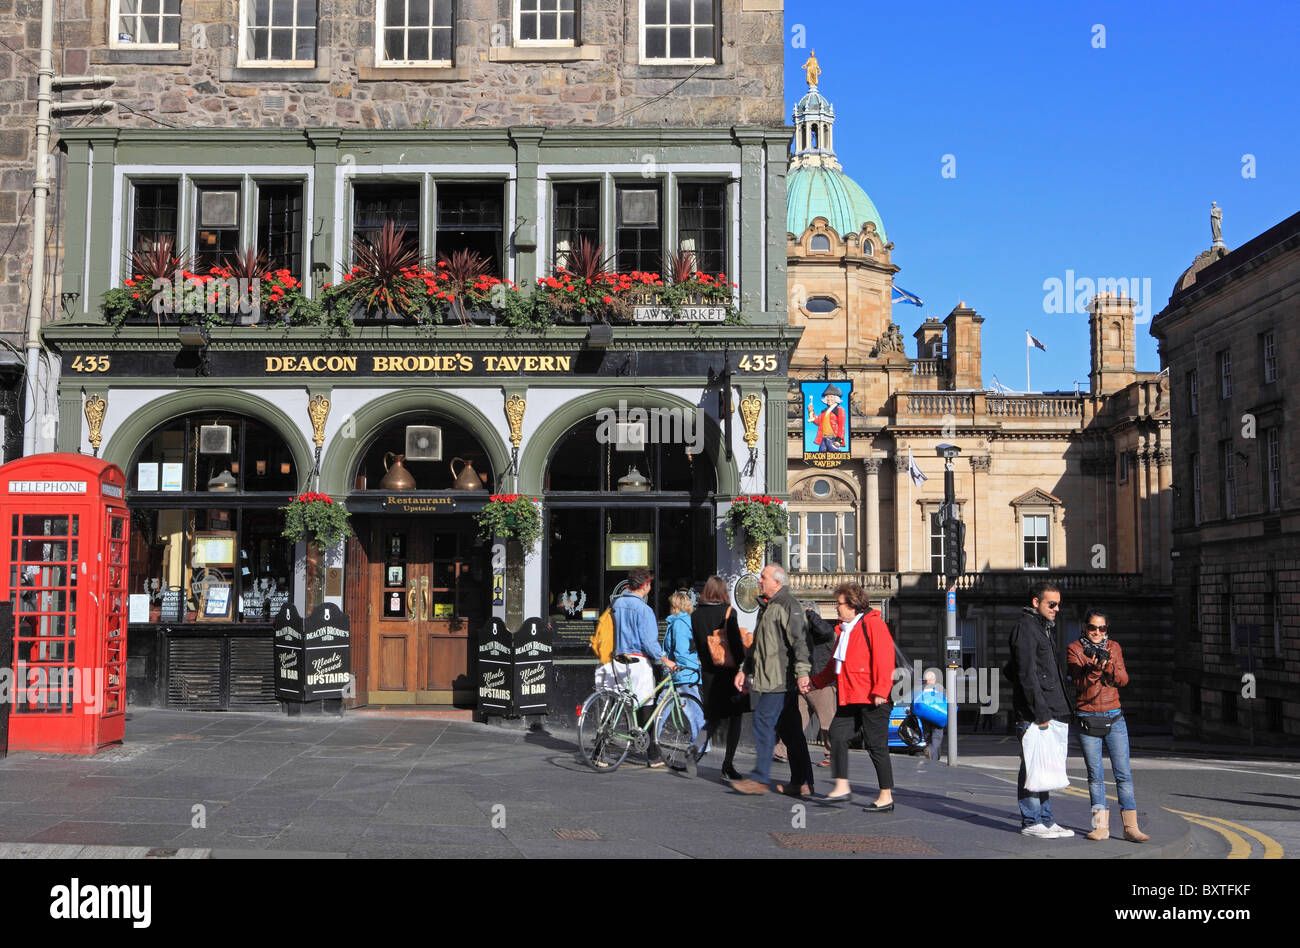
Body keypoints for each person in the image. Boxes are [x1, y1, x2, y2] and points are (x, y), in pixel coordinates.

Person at [807, 582, 895, 810]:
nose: (836, 608)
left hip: (872, 697)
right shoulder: (845, 631)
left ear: (853, 605)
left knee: (876, 746)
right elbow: (834, 665)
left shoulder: (873, 624)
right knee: (836, 735)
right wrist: (815, 682)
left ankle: (886, 796)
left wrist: (880, 691)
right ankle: (842, 786)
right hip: (850, 697)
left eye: (839, 604)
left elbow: (885, 659)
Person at [1068, 608, 1148, 842]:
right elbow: (1080, 684)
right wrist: (1093, 669)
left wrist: (1109, 667)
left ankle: (1130, 827)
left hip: (1114, 717)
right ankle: (1100, 827)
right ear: (1085, 628)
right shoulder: (1074, 650)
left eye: (1101, 628)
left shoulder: (1114, 647)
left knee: (1123, 774)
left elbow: (1123, 679)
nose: (1097, 632)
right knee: (1095, 776)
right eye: (1092, 627)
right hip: (1088, 717)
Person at [731, 564, 812, 797]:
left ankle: (759, 779)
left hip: (779, 680)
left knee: (763, 723)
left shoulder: (788, 605)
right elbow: (756, 647)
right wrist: (743, 670)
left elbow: (800, 641)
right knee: (791, 730)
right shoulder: (766, 607)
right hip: (770, 679)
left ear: (778, 582)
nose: (760, 581)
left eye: (763, 577)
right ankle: (802, 782)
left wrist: (803, 672)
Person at [1008, 581, 1075, 839]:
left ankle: (1046, 819)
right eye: (1052, 604)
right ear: (1036, 602)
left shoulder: (1042, 628)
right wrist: (1041, 712)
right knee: (1032, 768)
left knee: (1044, 768)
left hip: (1049, 709)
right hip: (1034, 715)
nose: (1057, 608)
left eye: (1058, 604)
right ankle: (1031, 820)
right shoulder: (1026, 628)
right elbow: (1027, 674)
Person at [610, 568, 677, 768]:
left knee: (622, 702)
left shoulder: (617, 604)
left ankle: (600, 748)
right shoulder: (644, 610)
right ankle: (653, 755)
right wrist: (665, 660)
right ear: (645, 586)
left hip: (619, 659)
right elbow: (649, 642)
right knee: (647, 705)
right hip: (638, 661)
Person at [689, 575, 749, 781]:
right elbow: (735, 646)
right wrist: (745, 666)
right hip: (730, 675)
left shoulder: (695, 615)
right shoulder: (728, 612)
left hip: (708, 674)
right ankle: (728, 764)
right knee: (735, 719)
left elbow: (696, 644)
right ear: (723, 592)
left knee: (712, 719)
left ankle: (693, 751)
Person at [774, 603, 836, 768]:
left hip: (821, 683)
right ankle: (782, 750)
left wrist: (810, 615)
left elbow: (825, 630)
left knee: (827, 723)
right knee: (795, 720)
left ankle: (833, 756)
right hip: (803, 682)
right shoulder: (802, 634)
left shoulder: (824, 633)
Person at [663, 590, 704, 769]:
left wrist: (676, 667)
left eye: (671, 604)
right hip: (687, 673)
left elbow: (679, 651)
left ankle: (700, 746)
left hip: (681, 675)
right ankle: (652, 745)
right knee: (662, 709)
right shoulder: (690, 621)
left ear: (675, 606)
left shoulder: (679, 623)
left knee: (694, 715)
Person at [920, 669, 945, 761]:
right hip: (937, 717)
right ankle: (930, 750)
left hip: (925, 717)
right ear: (933, 680)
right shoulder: (939, 689)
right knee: (937, 737)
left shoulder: (920, 690)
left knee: (927, 737)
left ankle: (932, 760)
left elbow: (915, 703)